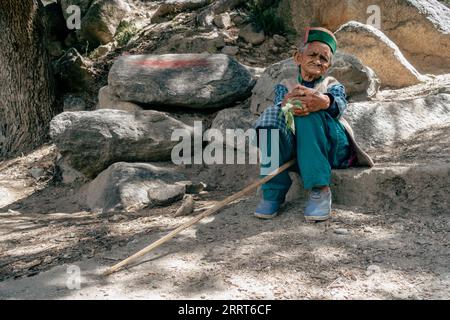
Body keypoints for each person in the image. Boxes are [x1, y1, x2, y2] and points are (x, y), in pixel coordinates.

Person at [253, 27, 374, 221]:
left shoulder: (332, 84)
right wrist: (286, 104)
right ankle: (272, 192)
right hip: (297, 149)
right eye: (313, 55)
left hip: (330, 147)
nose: (318, 61)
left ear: (328, 65)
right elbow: (280, 110)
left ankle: (319, 189)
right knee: (271, 119)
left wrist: (324, 101)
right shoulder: (285, 86)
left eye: (324, 58)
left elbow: (339, 104)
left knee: (308, 113)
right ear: (298, 57)